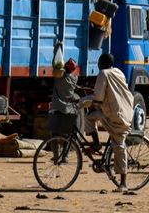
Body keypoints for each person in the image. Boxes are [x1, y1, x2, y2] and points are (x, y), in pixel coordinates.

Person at [83, 53, 133, 192]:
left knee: (118, 146)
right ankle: (97, 143)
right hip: (122, 111)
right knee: (90, 116)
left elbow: (98, 98)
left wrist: (85, 101)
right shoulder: (118, 72)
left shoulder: (103, 74)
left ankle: (123, 183)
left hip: (117, 116)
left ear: (102, 63)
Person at [50, 58, 80, 136]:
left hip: (58, 107)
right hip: (68, 108)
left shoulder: (59, 78)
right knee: (68, 130)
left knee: (56, 130)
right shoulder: (75, 78)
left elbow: (56, 70)